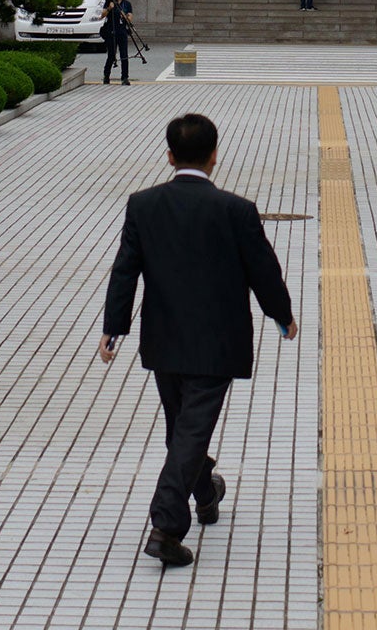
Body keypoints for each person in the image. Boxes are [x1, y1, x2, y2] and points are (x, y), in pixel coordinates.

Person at [100, 113, 297, 569]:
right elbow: (263, 270)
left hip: (164, 339)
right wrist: (282, 315)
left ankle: (204, 492)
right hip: (216, 342)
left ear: (169, 155)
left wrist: (113, 327)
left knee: (182, 428)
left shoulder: (143, 204)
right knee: (189, 431)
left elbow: (125, 269)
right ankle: (167, 526)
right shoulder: (236, 209)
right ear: (214, 156)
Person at [102, 0, 133, 86]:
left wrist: (126, 16)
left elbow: (130, 18)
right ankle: (106, 75)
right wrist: (109, 8)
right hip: (111, 31)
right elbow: (102, 15)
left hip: (122, 31)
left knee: (124, 55)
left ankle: (125, 77)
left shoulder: (127, 4)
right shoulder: (109, 2)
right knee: (111, 54)